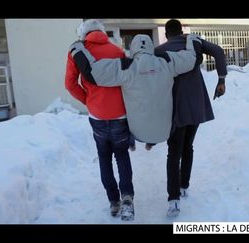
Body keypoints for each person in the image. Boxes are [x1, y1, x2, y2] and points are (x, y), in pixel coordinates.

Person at [69, 34, 200, 146]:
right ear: (150, 47)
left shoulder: (126, 67)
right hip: (165, 132)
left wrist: (77, 49)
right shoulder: (167, 62)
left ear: (133, 49)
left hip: (137, 133)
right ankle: (151, 140)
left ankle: (135, 142)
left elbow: (92, 72)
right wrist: (193, 39)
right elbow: (194, 58)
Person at [154, 19, 227, 217]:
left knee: (174, 152)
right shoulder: (194, 43)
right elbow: (219, 51)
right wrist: (221, 79)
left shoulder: (160, 50)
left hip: (175, 107)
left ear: (167, 34)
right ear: (182, 31)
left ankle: (174, 199)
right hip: (196, 104)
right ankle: (184, 185)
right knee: (188, 146)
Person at [64, 19, 134, 221]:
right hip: (120, 114)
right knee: (122, 156)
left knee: (104, 157)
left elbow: (70, 84)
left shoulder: (78, 52)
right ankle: (127, 198)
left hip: (97, 115)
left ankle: (114, 202)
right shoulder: (117, 51)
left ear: (84, 34)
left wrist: (88, 99)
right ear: (103, 33)